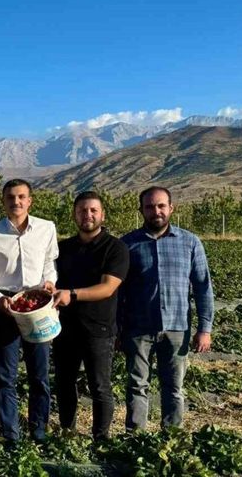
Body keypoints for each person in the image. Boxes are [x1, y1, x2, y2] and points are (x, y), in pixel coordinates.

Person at [120, 186, 214, 430]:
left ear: (171, 208)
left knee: (174, 387)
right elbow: (118, 292)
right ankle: (136, 437)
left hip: (177, 328)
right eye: (150, 207)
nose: (156, 211)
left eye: (161, 205)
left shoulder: (190, 242)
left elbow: (203, 287)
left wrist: (205, 328)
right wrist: (118, 328)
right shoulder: (127, 244)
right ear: (141, 210)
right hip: (138, 328)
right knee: (137, 385)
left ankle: (171, 438)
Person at [0, 179, 58, 443]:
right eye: (11, 197)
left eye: (21, 197)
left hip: (36, 304)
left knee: (39, 374)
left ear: (30, 200)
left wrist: (50, 282)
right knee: (6, 375)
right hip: (6, 306)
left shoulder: (46, 228)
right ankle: (12, 434)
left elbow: (49, 263)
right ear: (4, 201)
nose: (16, 202)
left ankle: (39, 430)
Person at [52, 192, 129, 440]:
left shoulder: (115, 248)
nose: (88, 215)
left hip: (99, 328)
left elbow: (108, 287)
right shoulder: (63, 248)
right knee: (65, 383)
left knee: (100, 386)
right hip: (65, 328)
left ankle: (100, 436)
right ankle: (67, 430)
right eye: (82, 211)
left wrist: (71, 294)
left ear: (102, 214)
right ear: (75, 215)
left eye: (93, 210)